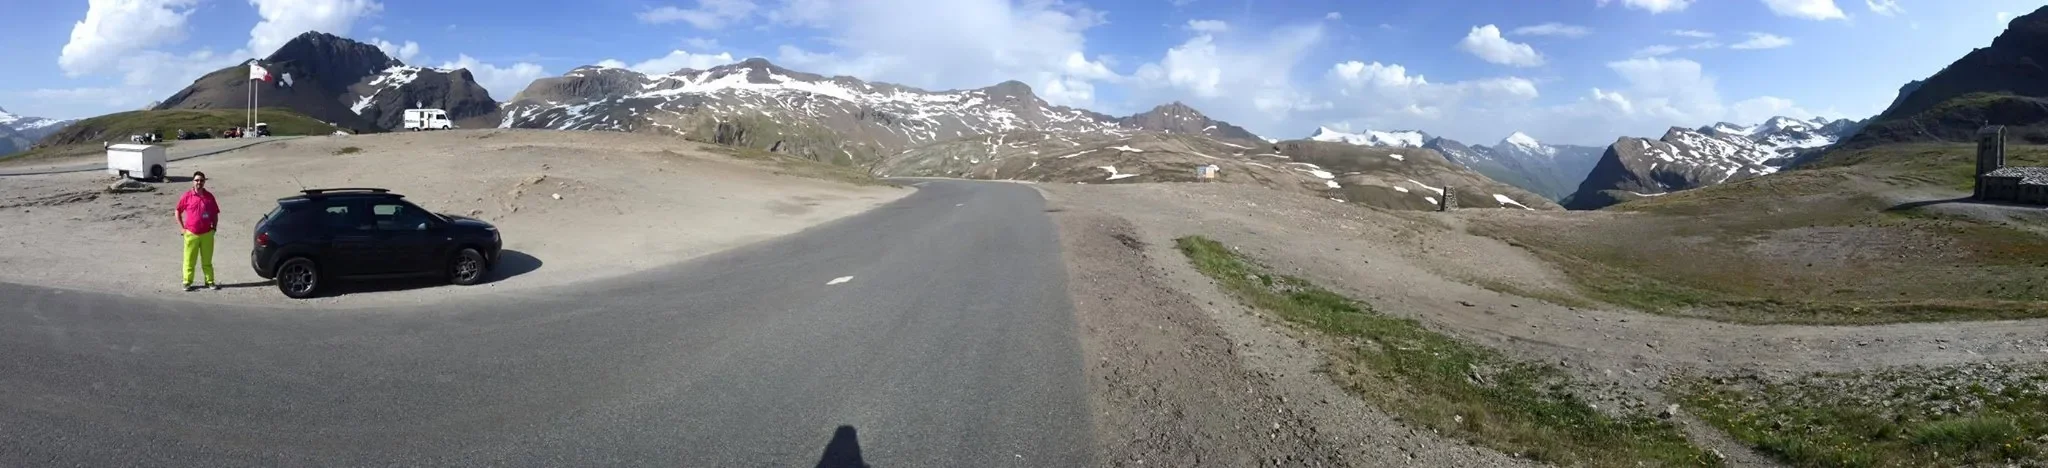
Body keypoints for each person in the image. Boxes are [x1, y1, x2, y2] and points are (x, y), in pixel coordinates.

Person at [175, 171, 221, 291]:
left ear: (204, 181)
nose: (199, 182)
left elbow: (215, 213)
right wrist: (182, 228)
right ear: (193, 181)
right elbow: (177, 211)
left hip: (207, 234)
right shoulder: (187, 196)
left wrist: (214, 227)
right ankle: (187, 282)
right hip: (191, 233)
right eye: (196, 180)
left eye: (201, 180)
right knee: (189, 260)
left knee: (207, 260)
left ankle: (209, 281)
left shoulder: (209, 197)